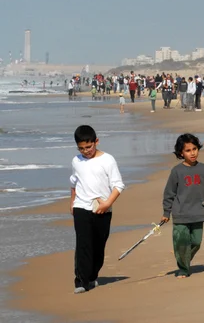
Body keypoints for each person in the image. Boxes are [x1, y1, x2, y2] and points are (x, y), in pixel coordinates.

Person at [70, 125, 125, 293]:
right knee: (83, 244)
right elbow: (73, 183)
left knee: (98, 245)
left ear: (96, 141)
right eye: (81, 148)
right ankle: (81, 281)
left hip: (103, 209)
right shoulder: (76, 161)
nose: (86, 151)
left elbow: (118, 185)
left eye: (89, 146)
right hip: (81, 207)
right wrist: (72, 203)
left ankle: (92, 276)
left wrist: (107, 204)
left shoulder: (108, 160)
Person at [161, 134, 204, 278]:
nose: (192, 153)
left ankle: (184, 260)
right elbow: (169, 193)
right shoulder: (176, 171)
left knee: (196, 242)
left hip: (198, 213)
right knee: (181, 242)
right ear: (181, 153)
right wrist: (166, 212)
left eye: (194, 149)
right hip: (180, 213)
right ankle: (183, 268)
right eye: (188, 150)